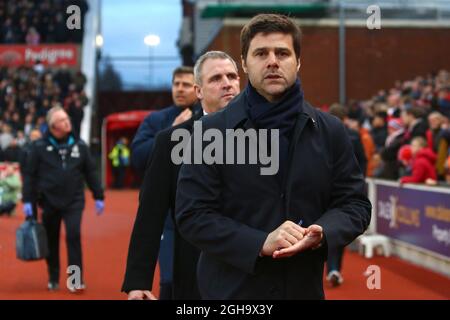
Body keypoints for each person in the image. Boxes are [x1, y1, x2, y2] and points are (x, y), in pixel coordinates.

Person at [175, 14, 371, 299]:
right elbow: (192, 215)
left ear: (298, 62)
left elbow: (355, 204)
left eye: (282, 53)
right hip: (231, 294)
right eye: (261, 53)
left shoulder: (331, 131)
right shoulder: (208, 132)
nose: (272, 61)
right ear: (244, 62)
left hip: (303, 290)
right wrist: (260, 242)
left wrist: (323, 231)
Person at [122, 51, 241, 300]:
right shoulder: (171, 140)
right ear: (198, 91)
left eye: (232, 76)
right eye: (216, 78)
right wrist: (138, 280)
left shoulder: (264, 136)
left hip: (249, 269)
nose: (227, 83)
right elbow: (150, 213)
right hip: (193, 270)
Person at [129, 66, 197, 299]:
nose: (180, 89)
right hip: (168, 215)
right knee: (169, 280)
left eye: (186, 84)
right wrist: (173, 131)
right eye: (176, 84)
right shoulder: (157, 119)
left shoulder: (213, 120)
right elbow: (137, 156)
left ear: (198, 88)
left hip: (201, 213)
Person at [22, 106, 105, 292]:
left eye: (67, 118)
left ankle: (75, 280)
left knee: (73, 236)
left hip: (74, 200)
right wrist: (28, 200)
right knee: (51, 240)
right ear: (53, 126)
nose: (67, 122)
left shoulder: (80, 145)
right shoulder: (38, 147)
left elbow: (90, 172)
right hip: (48, 201)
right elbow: (30, 175)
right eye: (62, 120)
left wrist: (98, 195)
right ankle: (53, 277)